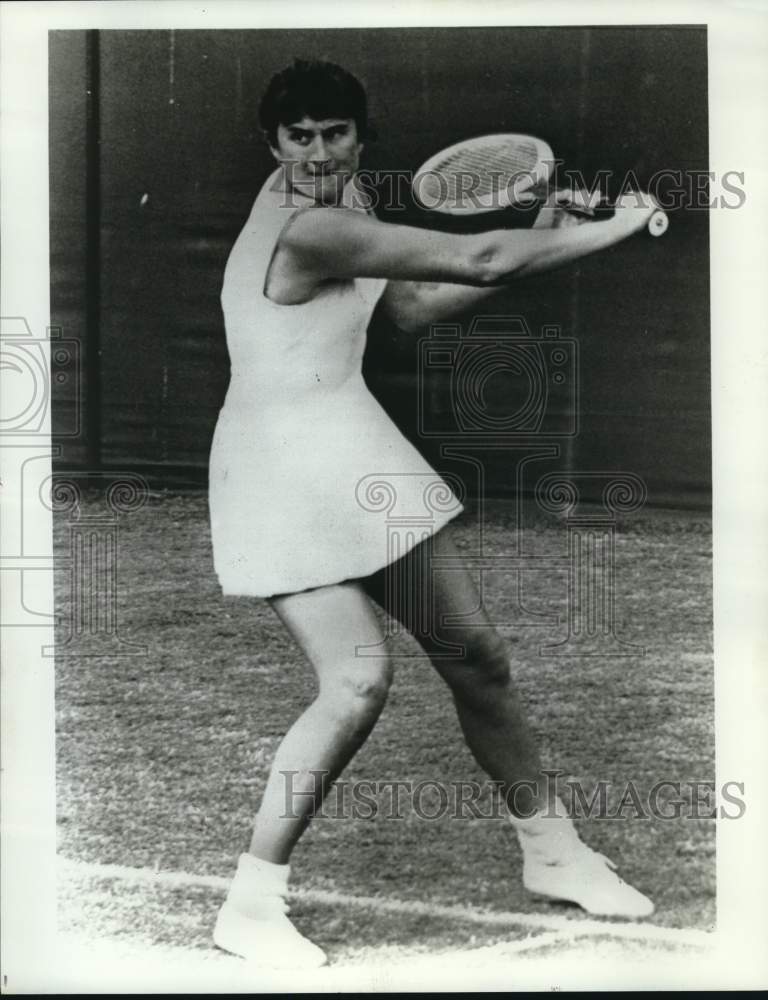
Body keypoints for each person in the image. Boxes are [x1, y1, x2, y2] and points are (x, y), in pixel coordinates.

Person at [208, 59, 657, 970]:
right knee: (357, 681)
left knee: (476, 657)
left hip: (352, 442)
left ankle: (553, 852)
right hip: (274, 467)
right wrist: (612, 227)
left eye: (337, 133)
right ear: (274, 143)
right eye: (301, 136)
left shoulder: (353, 197)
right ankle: (251, 905)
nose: (320, 152)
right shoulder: (309, 224)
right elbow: (476, 255)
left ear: (361, 138)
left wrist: (542, 226)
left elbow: (413, 305)